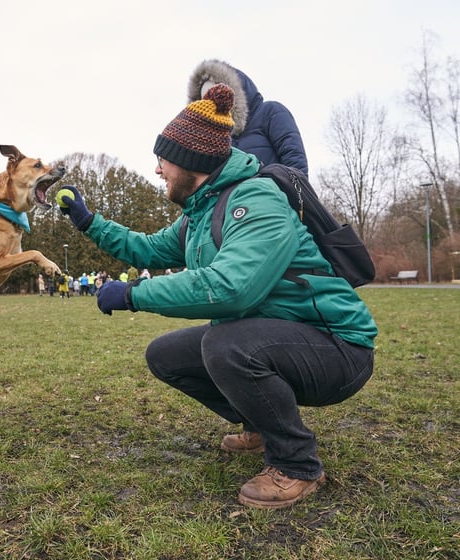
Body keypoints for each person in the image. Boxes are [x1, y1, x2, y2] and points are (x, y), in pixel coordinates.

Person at [58, 84, 376, 509]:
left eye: (162, 159)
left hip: (338, 348)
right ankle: (260, 423)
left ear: (191, 161)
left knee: (225, 343)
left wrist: (134, 293)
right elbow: (150, 250)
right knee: (166, 356)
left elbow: (231, 289)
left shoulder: (257, 199)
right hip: (282, 337)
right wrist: (88, 221)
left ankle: (297, 464)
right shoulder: (200, 211)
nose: (157, 170)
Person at [187, 59, 309, 175]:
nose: (213, 105)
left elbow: (295, 160)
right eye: (206, 102)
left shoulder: (270, 113)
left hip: (275, 195)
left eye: (217, 96)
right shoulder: (213, 142)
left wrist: (296, 195)